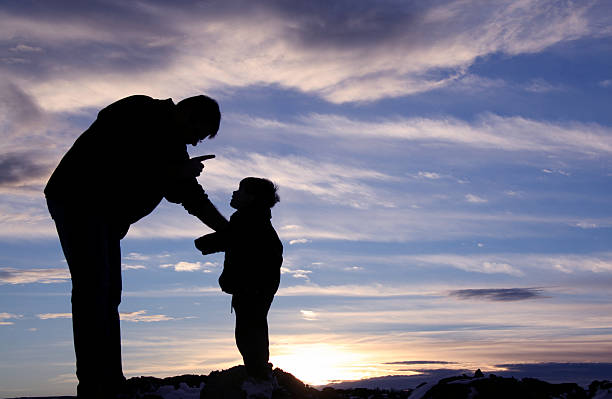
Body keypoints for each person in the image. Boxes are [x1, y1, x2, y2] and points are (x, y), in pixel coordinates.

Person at [44, 94, 228, 399]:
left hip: (104, 216)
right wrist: (173, 172)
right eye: (198, 134)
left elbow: (193, 197)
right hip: (77, 198)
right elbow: (115, 157)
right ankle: (94, 386)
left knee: (108, 294)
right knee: (94, 290)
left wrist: (229, 230)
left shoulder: (174, 151)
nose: (196, 143)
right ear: (187, 114)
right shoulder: (139, 110)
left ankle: (110, 381)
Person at [195, 177, 283, 380]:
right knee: (252, 328)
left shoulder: (249, 219)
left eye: (240, 190)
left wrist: (200, 244)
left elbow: (231, 238)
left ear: (252, 197)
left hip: (253, 285)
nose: (235, 193)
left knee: (249, 331)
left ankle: (258, 376)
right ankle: (258, 372)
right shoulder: (252, 218)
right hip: (257, 284)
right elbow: (235, 239)